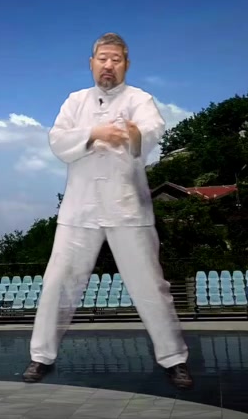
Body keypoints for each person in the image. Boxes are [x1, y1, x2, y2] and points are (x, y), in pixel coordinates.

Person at [22, 32, 193, 389]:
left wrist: (132, 134)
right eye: (103, 59)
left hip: (127, 206)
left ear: (126, 64)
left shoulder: (140, 99)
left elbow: (153, 130)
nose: (109, 65)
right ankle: (41, 356)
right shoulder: (75, 101)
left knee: (150, 286)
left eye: (116, 59)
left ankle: (174, 359)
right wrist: (94, 132)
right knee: (57, 283)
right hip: (79, 208)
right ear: (91, 63)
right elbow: (57, 140)